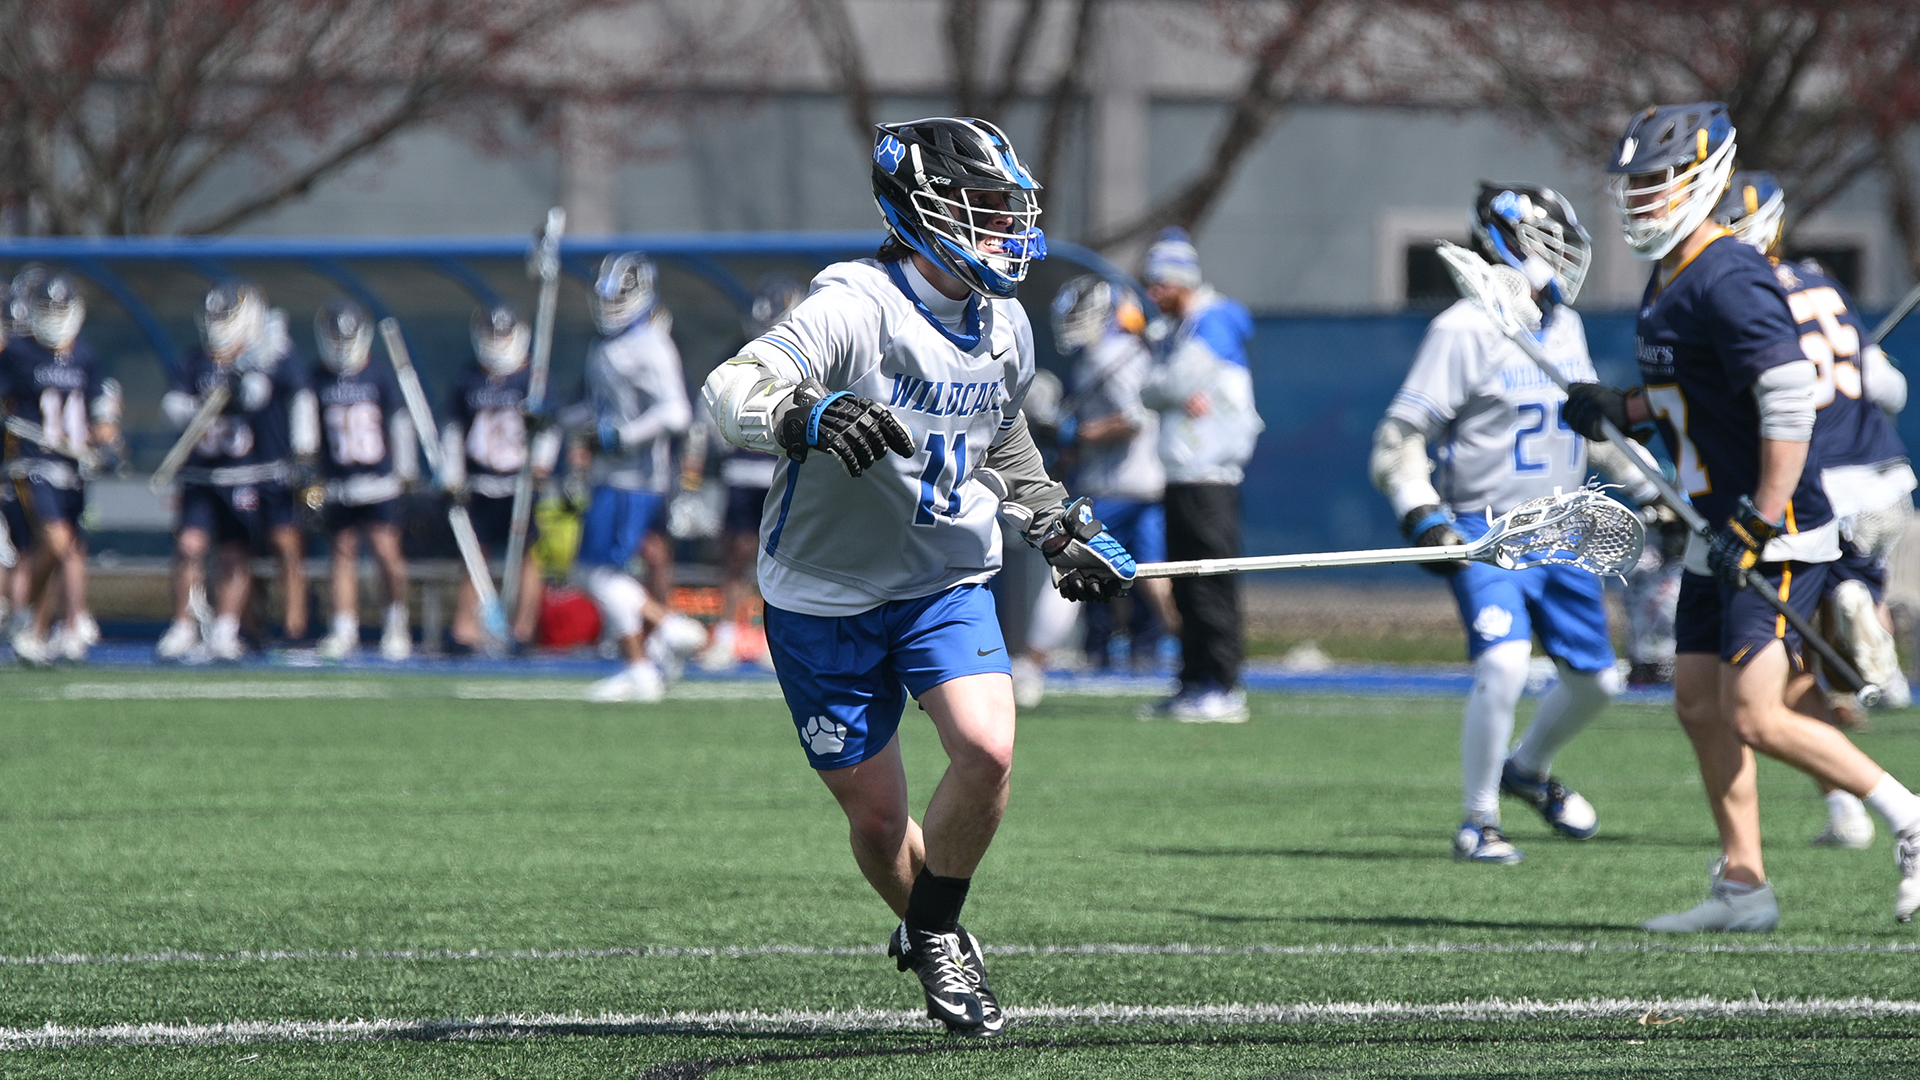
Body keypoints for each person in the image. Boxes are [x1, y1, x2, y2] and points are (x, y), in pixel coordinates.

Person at [701, 116, 1133, 1036]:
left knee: (989, 750)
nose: (1004, 233)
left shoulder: (1006, 325)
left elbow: (1000, 430)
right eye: (982, 212)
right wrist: (805, 414)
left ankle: (934, 933)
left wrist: (1052, 525)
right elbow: (731, 391)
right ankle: (931, 920)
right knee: (878, 818)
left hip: (943, 578)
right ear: (919, 212)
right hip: (821, 592)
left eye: (1008, 212)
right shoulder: (856, 304)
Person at [1563, 102, 1920, 928]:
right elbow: (1693, 388)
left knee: (1759, 713)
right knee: (1696, 701)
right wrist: (1619, 405)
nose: (1640, 201)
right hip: (1710, 523)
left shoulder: (1729, 273)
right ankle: (1744, 884)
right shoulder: (1673, 272)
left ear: (1704, 179)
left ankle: (1908, 815)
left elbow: (1789, 403)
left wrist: (1759, 523)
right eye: (1634, 186)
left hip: (1773, 525)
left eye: (1656, 183)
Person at [1371, 183, 1656, 863]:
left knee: (1598, 681)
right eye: (1543, 244)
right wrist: (1425, 518)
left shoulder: (1566, 328)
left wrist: (1647, 489)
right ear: (1503, 242)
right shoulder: (1463, 329)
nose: (1559, 260)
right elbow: (1398, 439)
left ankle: (1526, 769)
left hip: (1563, 529)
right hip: (1487, 532)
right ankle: (1478, 821)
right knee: (1503, 663)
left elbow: (1590, 432)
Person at [1712, 169, 1917, 849]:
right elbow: (1887, 389)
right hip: (1885, 478)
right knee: (1818, 640)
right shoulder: (1823, 282)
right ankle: (1862, 616)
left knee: (1786, 663)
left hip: (1813, 491)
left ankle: (1849, 794)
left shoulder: (1740, 299)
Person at [1136, 227, 1263, 723]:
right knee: (1187, 584)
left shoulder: (1211, 324)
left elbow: (1165, 387)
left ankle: (1222, 686)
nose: (1152, 295)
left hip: (1211, 477)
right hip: (1184, 474)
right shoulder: (1182, 328)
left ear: (1181, 280)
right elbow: (1163, 389)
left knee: (1211, 583)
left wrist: (1162, 385)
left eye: (1158, 284)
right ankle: (1192, 681)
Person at [569, 252, 705, 702]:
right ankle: (641, 665)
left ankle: (665, 629)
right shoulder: (604, 346)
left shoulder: (652, 344)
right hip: (610, 474)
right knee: (598, 572)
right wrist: (559, 421)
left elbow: (675, 411)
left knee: (593, 572)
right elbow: (601, 409)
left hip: (636, 478)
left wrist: (622, 437)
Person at [157, 282, 295, 661]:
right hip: (201, 477)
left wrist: (238, 386)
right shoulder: (194, 361)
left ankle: (225, 629)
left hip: (241, 475)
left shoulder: (257, 361)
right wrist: (200, 406)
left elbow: (258, 396)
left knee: (236, 554)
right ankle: (183, 625)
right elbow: (171, 406)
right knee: (189, 547)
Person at [1052, 275, 1179, 678]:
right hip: (1142, 483)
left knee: (1093, 569)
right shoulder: (1108, 355)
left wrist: (1081, 434)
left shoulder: (1113, 354)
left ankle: (1102, 652)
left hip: (1118, 485)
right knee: (1146, 573)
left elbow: (1134, 418)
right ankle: (1150, 650)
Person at [1, 272, 122, 665]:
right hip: (33, 463)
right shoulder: (18, 353)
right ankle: (25, 619)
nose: (54, 318)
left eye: (60, 310)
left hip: (71, 468)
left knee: (59, 550)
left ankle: (35, 629)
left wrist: (106, 442)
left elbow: (99, 416)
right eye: (47, 310)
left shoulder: (84, 355)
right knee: (53, 543)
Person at [696, 274, 805, 672]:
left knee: (784, 559)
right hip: (743, 469)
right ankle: (727, 633)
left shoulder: (813, 358)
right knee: (735, 557)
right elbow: (711, 402)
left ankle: (771, 638)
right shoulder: (738, 353)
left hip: (785, 469)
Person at [440, 303, 557, 650]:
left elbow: (550, 427)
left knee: (525, 555)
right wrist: (452, 473)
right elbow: (453, 429)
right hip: (480, 481)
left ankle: (522, 630)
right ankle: (466, 628)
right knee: (475, 554)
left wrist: (541, 465)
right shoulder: (468, 379)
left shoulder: (533, 379)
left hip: (519, 483)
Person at [310, 297, 418, 662]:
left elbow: (400, 424)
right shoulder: (317, 378)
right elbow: (309, 432)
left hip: (378, 481)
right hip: (339, 482)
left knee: (387, 552)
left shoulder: (379, 375)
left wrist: (406, 471)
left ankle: (396, 624)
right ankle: (343, 629)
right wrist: (311, 474)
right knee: (341, 554)